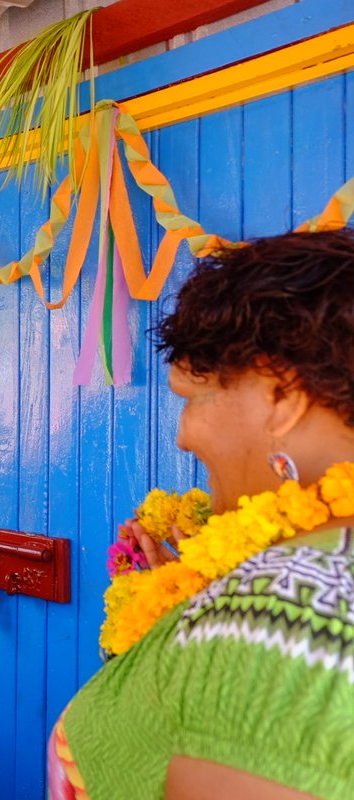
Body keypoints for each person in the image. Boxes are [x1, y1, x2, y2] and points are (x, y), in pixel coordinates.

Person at [49, 229, 354, 799]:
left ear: (282, 397)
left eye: (192, 398)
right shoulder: (297, 577)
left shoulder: (276, 615)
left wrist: (237, 607)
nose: (183, 437)